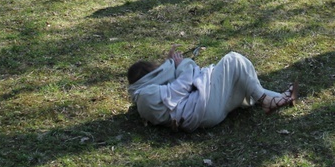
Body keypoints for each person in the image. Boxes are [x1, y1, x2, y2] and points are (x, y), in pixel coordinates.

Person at [127, 48, 297, 132]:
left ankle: (281, 98)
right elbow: (182, 86)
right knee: (233, 60)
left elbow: (174, 92)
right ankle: (267, 101)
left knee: (239, 79)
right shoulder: (146, 96)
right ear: (149, 75)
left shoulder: (144, 96)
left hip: (205, 109)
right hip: (204, 109)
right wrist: (181, 64)